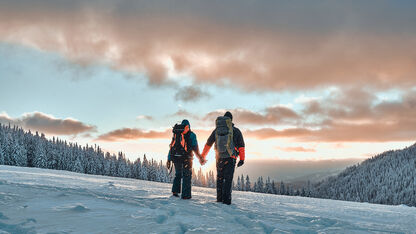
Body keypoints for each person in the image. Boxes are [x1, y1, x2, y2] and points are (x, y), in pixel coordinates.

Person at [201, 111, 245, 205]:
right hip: (230, 158)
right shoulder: (236, 131)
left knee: (220, 178)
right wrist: (242, 159)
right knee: (227, 180)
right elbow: (241, 146)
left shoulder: (217, 130)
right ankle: (226, 202)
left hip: (219, 157)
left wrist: (203, 156)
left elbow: (208, 143)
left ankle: (219, 200)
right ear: (231, 120)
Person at [167, 119, 205, 199]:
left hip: (176, 157)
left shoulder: (177, 134)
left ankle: (175, 191)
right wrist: (200, 158)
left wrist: (169, 159)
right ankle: (186, 195)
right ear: (188, 126)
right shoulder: (192, 135)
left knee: (178, 174)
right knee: (187, 176)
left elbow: (171, 146)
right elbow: (195, 148)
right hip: (187, 158)